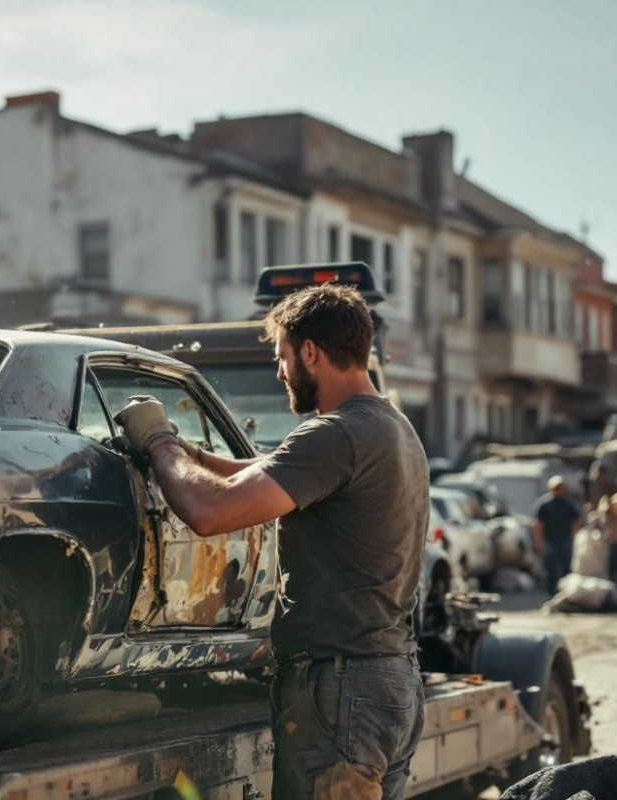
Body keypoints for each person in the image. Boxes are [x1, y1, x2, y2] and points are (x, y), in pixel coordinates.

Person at [114, 283, 428, 800]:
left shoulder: (335, 434)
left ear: (310, 352)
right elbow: (263, 472)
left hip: (342, 691)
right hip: (389, 684)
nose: (279, 371)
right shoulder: (389, 426)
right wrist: (189, 454)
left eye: (281, 356)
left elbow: (211, 511)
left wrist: (158, 441)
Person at [533, 476, 582, 597]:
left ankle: (566, 594)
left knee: (566, 569)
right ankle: (552, 594)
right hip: (550, 541)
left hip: (565, 541)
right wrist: (538, 542)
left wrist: (576, 540)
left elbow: (577, 523)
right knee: (551, 570)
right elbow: (538, 525)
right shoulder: (544, 505)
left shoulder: (568, 504)